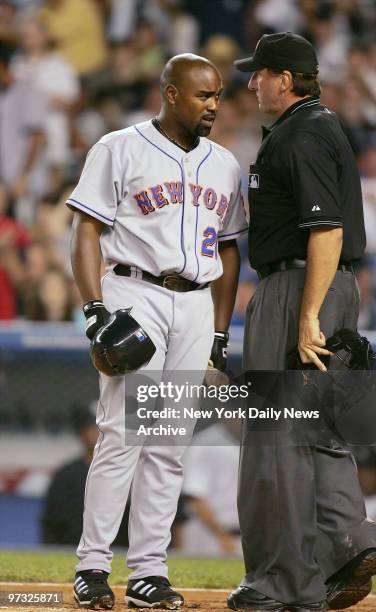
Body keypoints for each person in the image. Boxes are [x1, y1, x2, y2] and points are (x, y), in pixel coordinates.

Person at [68, 53, 247, 610]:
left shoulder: (226, 164)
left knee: (169, 445)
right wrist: (95, 309)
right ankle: (92, 566)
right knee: (122, 436)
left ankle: (148, 571)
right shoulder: (118, 147)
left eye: (217, 95)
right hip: (135, 292)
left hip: (196, 304)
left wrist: (220, 332)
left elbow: (228, 250)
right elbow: (85, 232)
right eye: (203, 96)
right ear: (171, 94)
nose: (214, 105)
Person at [227, 32, 376, 612]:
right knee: (319, 431)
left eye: (259, 73)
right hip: (328, 285)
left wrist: (307, 314)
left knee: (276, 440)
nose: (251, 82)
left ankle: (281, 584)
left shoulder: (302, 133)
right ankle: (348, 544)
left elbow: (327, 229)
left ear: (284, 79)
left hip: (301, 286)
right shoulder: (321, 125)